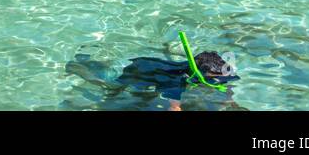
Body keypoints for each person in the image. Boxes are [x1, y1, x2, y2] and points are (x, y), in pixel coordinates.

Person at [65, 48, 238, 111]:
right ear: (199, 74)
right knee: (112, 87)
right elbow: (174, 107)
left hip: (152, 67)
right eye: (216, 78)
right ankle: (75, 67)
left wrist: (231, 103)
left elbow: (225, 83)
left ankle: (88, 61)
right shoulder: (175, 82)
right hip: (141, 70)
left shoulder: (205, 69)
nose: (222, 80)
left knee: (145, 96)